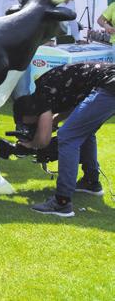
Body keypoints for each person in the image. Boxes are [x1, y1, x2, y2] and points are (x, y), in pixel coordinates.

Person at [12, 62, 115, 218]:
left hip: (109, 86)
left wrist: (31, 144)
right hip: (108, 83)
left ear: (30, 112)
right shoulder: (55, 88)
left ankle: (61, 202)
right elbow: (75, 107)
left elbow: (43, 141)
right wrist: (54, 121)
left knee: (67, 136)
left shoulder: (43, 92)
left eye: (27, 123)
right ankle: (91, 182)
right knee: (83, 131)